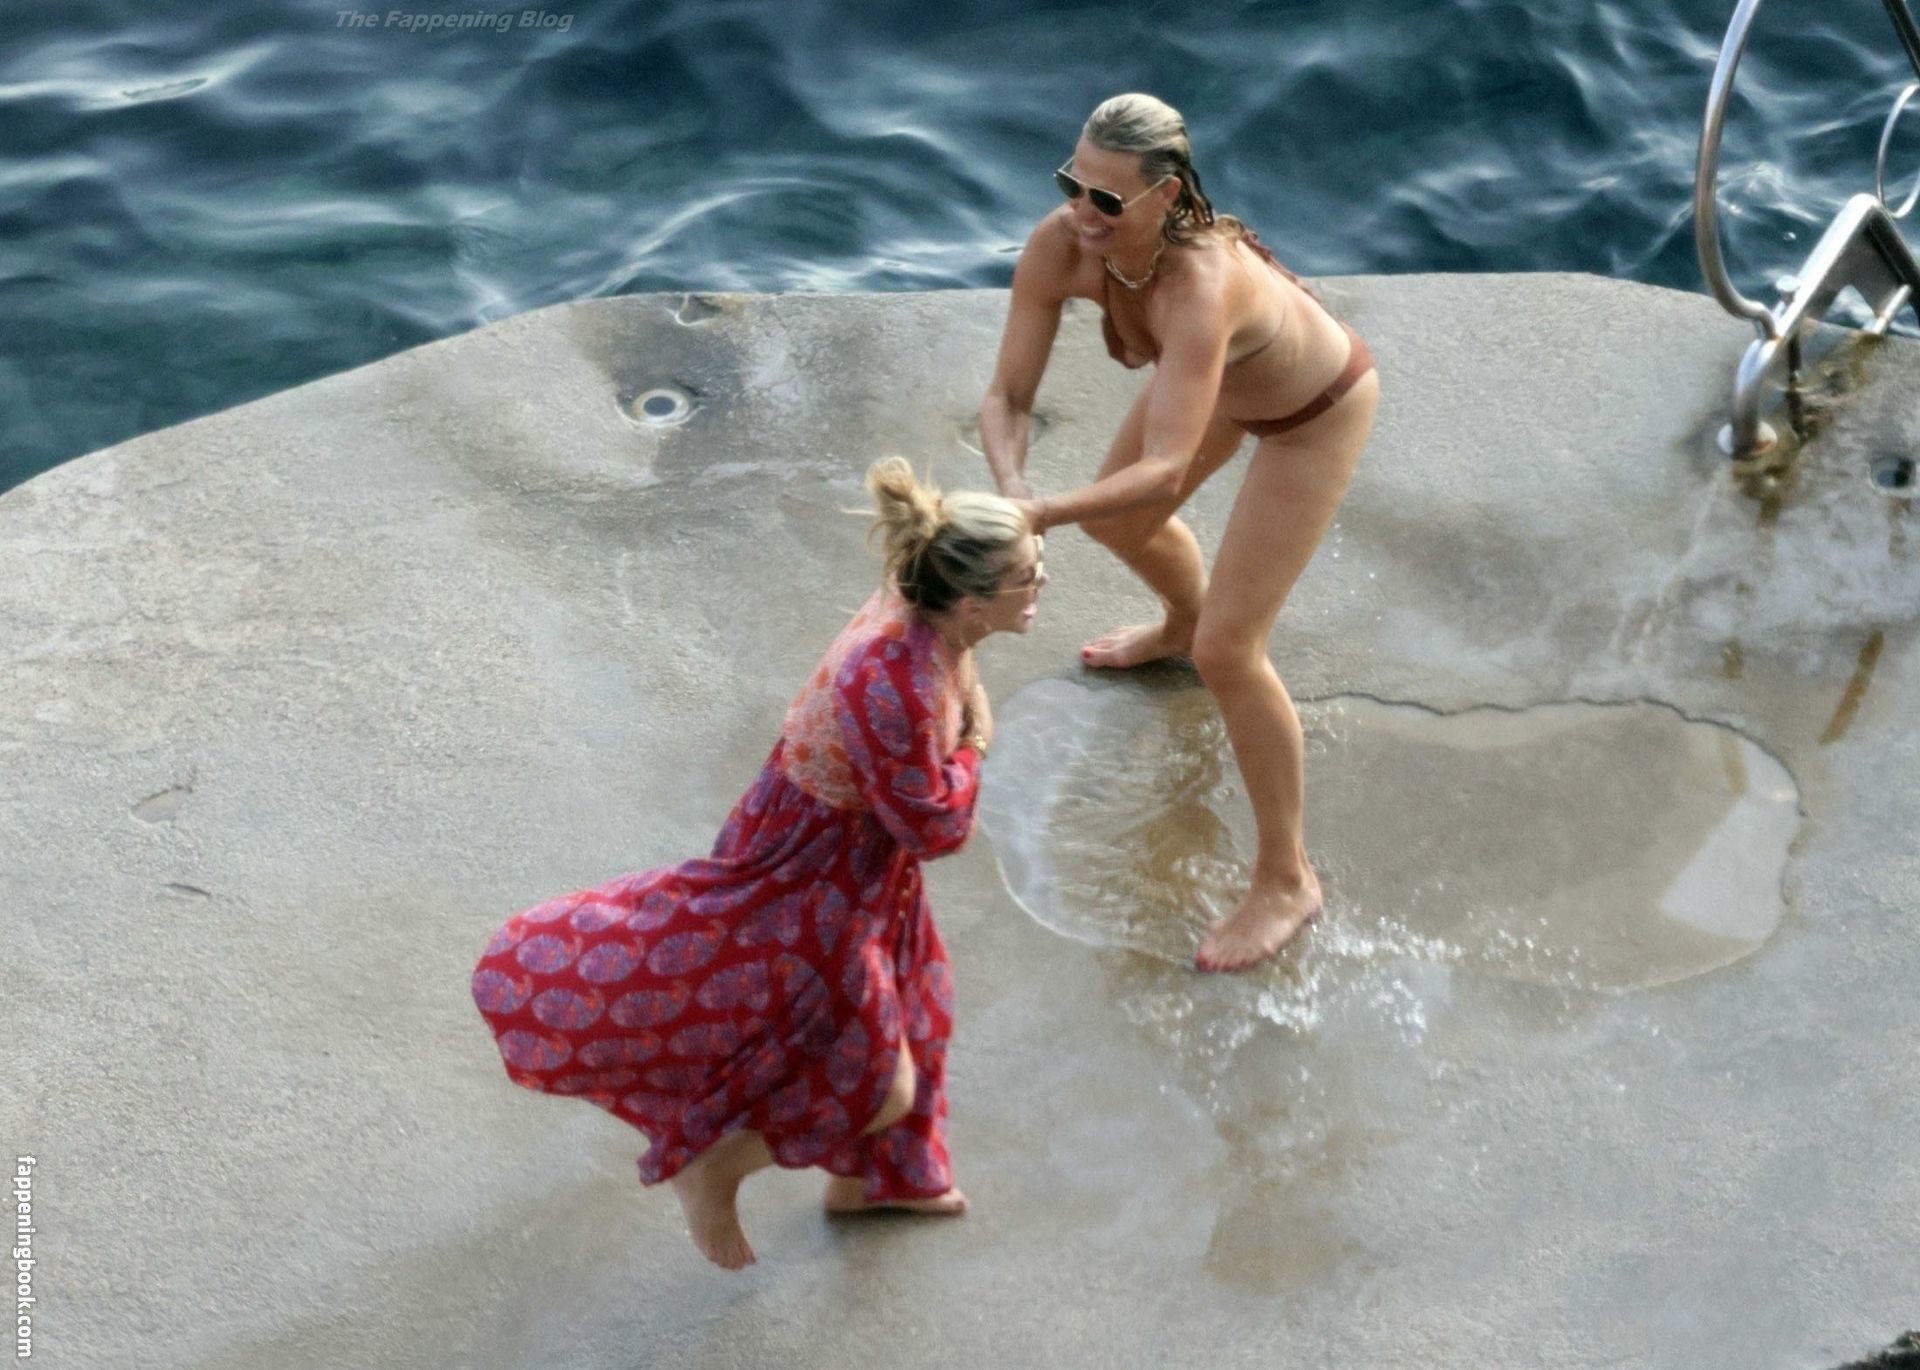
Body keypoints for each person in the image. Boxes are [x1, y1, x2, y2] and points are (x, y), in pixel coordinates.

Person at [471, 457, 1045, 1271]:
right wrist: (977, 742)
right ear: (973, 602)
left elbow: (923, 782)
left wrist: (968, 716)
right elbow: (936, 826)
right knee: (877, 1083)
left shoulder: (930, 601)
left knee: (918, 998)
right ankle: (714, 1166)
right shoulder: (894, 683)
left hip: (859, 855)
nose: (1043, 583)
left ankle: (875, 1184)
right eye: (1028, 575)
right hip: (813, 871)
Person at [976, 92, 1380, 974]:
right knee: (1120, 527)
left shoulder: (1199, 283)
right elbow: (1006, 396)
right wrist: (1012, 489)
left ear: (1165, 196)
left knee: (1232, 654)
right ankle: (1180, 623)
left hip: (1314, 412)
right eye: (1071, 184)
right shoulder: (1062, 244)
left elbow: (1164, 468)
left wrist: (1042, 515)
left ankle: (1287, 880)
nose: (1082, 213)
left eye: (1107, 200)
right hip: (1223, 386)